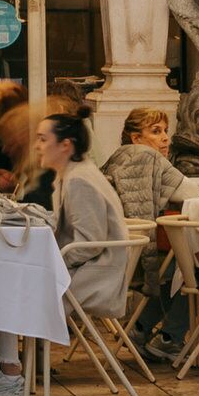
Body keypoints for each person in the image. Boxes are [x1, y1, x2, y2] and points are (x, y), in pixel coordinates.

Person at [37, 112, 134, 322]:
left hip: (98, 275)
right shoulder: (73, 173)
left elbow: (89, 244)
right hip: (90, 267)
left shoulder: (79, 180)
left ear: (65, 145)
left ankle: (11, 352)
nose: (38, 146)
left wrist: (53, 262)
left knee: (19, 284)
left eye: (43, 140)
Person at [98, 107, 182, 222]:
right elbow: (141, 222)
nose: (166, 138)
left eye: (165, 131)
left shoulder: (124, 156)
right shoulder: (143, 157)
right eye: (156, 131)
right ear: (136, 138)